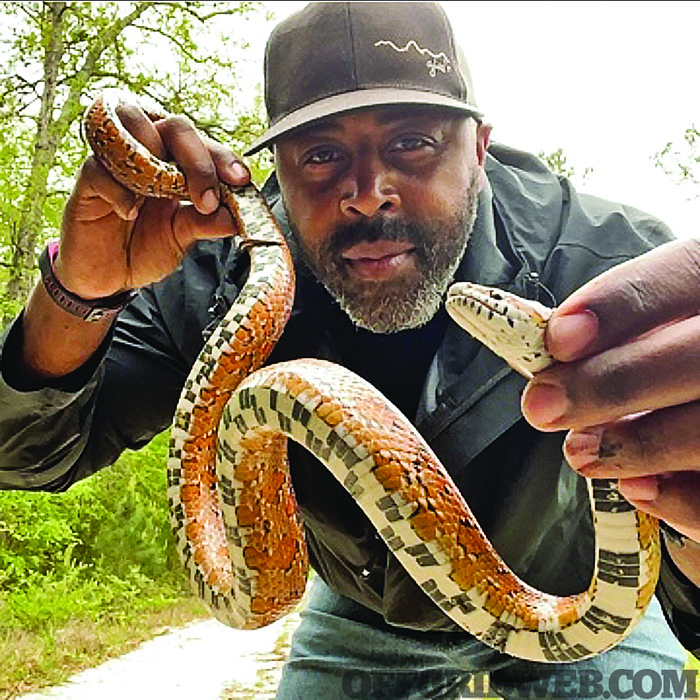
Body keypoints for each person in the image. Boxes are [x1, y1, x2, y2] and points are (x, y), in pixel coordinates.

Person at [2, 2, 700, 697]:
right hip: (366, 612)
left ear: (479, 149)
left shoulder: (612, 271)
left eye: (412, 144)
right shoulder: (216, 273)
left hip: (575, 590)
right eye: (322, 155)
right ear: (273, 166)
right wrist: (82, 290)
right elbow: (26, 458)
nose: (367, 196)